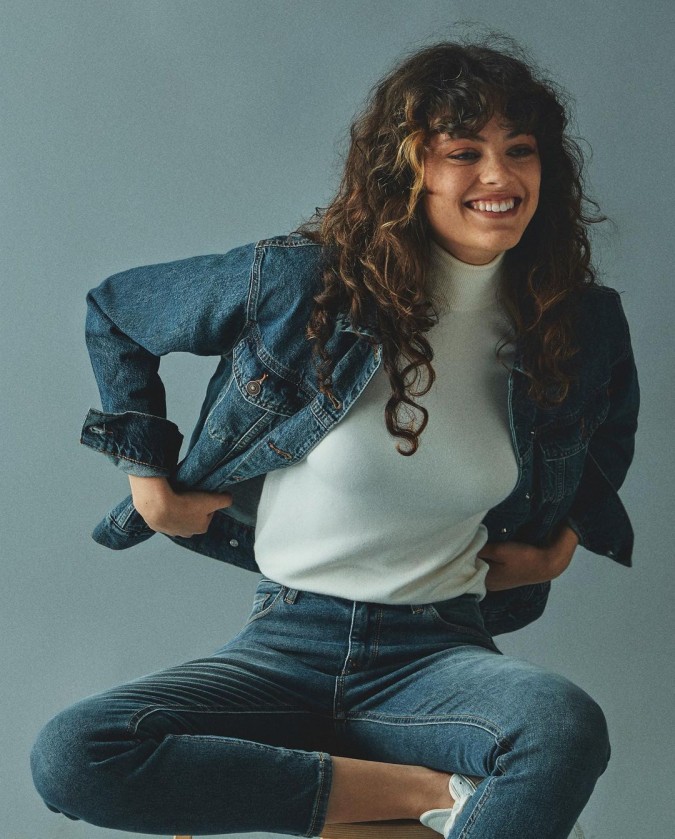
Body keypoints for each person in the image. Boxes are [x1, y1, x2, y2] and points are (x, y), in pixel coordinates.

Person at [30, 38, 639, 839]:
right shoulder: (306, 283)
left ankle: (431, 800)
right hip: (287, 642)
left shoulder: (577, 322)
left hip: (436, 654)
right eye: (464, 152)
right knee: (75, 754)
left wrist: (561, 543)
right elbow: (118, 311)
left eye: (518, 150)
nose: (499, 176)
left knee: (559, 726)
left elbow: (605, 437)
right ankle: (431, 793)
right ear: (406, 171)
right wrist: (149, 483)